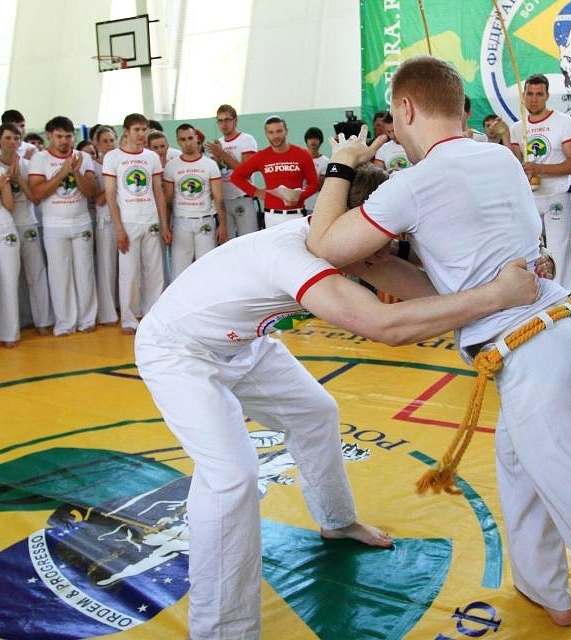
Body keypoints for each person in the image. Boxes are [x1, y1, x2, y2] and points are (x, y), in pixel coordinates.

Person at [306, 56, 571, 639]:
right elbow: (454, 288)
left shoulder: (416, 182)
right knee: (519, 470)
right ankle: (546, 590)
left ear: (405, 110)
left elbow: (325, 244)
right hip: (554, 331)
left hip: (534, 346)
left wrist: (341, 162)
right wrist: (385, 264)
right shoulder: (500, 159)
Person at [135, 156, 541, 638]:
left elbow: (426, 291)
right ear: (349, 226)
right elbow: (383, 326)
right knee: (230, 476)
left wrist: (514, 287)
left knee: (314, 413)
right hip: (179, 351)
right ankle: (223, 631)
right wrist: (496, 296)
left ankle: (336, 521)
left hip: (242, 344)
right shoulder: (292, 255)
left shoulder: (350, 244)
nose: (381, 255)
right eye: (377, 241)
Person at [509, 73, 571, 291]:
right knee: (528, 251)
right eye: (529, 94)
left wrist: (540, 169)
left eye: (539, 94)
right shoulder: (516, 128)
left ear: (547, 95)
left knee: (559, 252)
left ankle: (564, 301)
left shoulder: (563, 122)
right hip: (529, 198)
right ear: (523, 97)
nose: (534, 99)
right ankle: (533, 299)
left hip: (556, 194)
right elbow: (512, 164)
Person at [28, 116, 98, 337]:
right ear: (49, 136)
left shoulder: (84, 157)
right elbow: (37, 194)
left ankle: (87, 320)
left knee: (85, 272)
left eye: (68, 136)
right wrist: (63, 171)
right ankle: (65, 322)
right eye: (59, 136)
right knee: (59, 275)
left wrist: (75, 172)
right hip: (53, 224)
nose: (64, 141)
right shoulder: (40, 159)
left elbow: (93, 192)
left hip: (81, 221)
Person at [103, 113, 170, 335]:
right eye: (137, 130)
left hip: (150, 220)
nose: (141, 134)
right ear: (126, 131)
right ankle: (129, 319)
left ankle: (155, 316)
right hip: (128, 221)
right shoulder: (113, 158)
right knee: (129, 273)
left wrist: (164, 224)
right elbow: (111, 195)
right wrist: (119, 228)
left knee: (155, 272)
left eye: (144, 130)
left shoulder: (151, 157)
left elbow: (158, 192)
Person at [0, 123, 52, 335]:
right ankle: (12, 329)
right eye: (9, 138)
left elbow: (34, 198)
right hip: (6, 225)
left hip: (27, 221)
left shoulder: (26, 164)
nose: (13, 142)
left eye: (17, 138)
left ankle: (43, 322)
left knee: (36, 273)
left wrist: (18, 178)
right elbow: (8, 204)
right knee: (10, 277)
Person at [231, 115, 318, 228]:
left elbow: (314, 184)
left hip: (295, 215)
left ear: (286, 131)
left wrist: (299, 196)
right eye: (271, 132)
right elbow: (236, 176)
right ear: (266, 134)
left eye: (279, 131)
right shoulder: (262, 156)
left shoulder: (302, 154)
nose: (275, 136)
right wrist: (255, 192)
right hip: (271, 216)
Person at [164, 123, 225, 279]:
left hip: (204, 220)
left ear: (196, 138)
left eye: (190, 138)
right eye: (183, 139)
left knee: (206, 267)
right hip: (181, 222)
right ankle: (179, 302)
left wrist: (223, 225)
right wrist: (166, 226)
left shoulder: (209, 165)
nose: (187, 143)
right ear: (178, 141)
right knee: (179, 269)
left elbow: (218, 197)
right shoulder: (172, 166)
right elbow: (168, 200)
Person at [206, 104, 259, 239]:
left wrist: (222, 153)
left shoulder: (246, 139)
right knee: (227, 245)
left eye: (227, 119)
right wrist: (217, 158)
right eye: (220, 120)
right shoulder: (218, 144)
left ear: (235, 120)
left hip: (242, 198)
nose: (224, 124)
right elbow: (216, 175)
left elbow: (246, 173)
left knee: (247, 242)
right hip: (223, 201)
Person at [92, 125, 119, 326]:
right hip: (104, 220)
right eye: (105, 141)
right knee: (107, 266)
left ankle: (123, 304)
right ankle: (108, 312)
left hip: (124, 218)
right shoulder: (93, 166)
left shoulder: (122, 161)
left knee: (125, 267)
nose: (109, 145)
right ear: (97, 144)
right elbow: (98, 199)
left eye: (112, 140)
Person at [0, 170, 18, 347]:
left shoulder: (0, 172)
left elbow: (9, 204)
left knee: (9, 281)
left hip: (4, 227)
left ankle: (10, 334)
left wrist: (4, 184)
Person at [303, 126, 329, 214]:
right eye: (310, 138)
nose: (313, 141)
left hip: (316, 204)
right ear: (306, 141)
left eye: (316, 138)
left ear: (320, 141)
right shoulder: (300, 158)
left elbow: (319, 186)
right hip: (300, 204)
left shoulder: (325, 161)